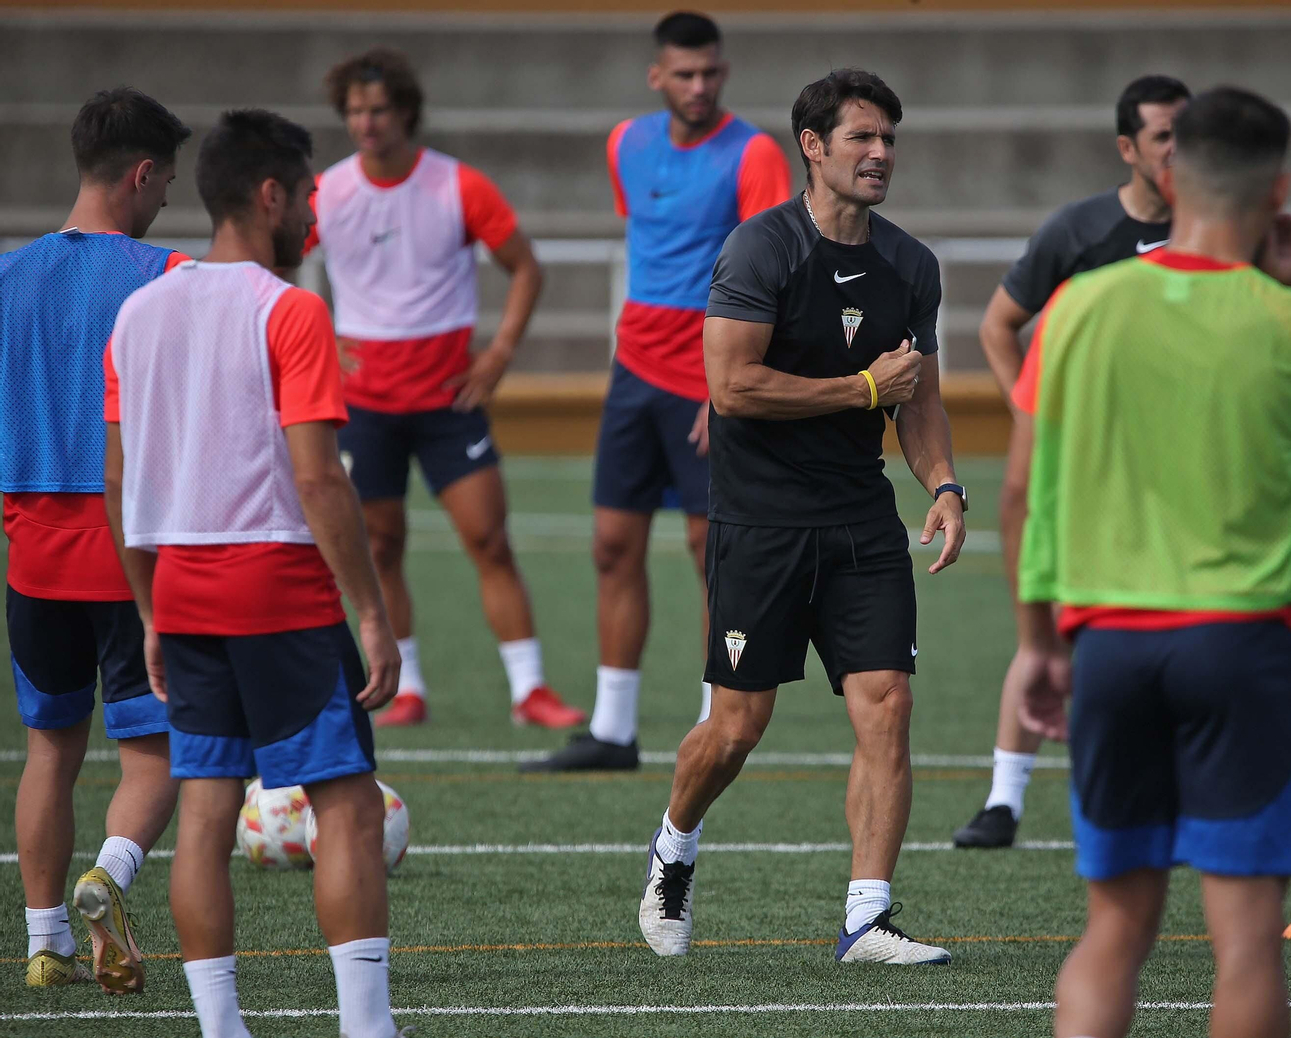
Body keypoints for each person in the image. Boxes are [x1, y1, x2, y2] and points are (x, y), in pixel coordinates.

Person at [1015, 87, 1291, 1038]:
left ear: (1170, 174)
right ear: (1281, 188)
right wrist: (1286, 291)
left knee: (1114, 927)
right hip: (1237, 642)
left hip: (1109, 645)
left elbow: (1021, 490)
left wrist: (1038, 642)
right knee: (1247, 942)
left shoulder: (1075, 308)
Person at [635, 68, 965, 965]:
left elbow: (919, 400)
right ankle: (674, 849)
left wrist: (942, 485)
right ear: (812, 146)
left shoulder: (911, 265)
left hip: (862, 522)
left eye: (889, 138)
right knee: (738, 728)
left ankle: (868, 917)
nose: (880, 153)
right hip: (761, 523)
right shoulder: (759, 249)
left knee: (886, 704)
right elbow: (731, 387)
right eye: (861, 137)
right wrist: (861, 387)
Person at [103, 108, 403, 1038]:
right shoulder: (291, 308)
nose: (314, 213)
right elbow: (316, 476)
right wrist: (372, 613)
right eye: (308, 194)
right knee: (347, 805)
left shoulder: (140, 307)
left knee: (203, 812)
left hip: (183, 589)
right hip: (279, 585)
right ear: (270, 195)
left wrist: (151, 610)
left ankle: (220, 1027)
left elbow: (118, 481)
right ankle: (365, 1027)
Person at [530, 11, 791, 773]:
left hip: (709, 375)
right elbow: (653, 245)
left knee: (713, 550)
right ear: (657, 77)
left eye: (710, 72)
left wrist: (729, 384)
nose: (699, 86)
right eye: (684, 74)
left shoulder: (754, 153)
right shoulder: (626, 143)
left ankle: (720, 720)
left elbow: (775, 270)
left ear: (724, 72)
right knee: (612, 546)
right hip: (634, 370)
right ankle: (613, 730)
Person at [307, 47, 582, 729]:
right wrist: (315, 340)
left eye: (379, 110)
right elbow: (275, 265)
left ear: (405, 112)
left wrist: (500, 354)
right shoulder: (327, 191)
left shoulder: (458, 185)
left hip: (449, 399)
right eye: (355, 112)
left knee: (489, 539)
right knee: (381, 545)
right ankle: (406, 689)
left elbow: (525, 267)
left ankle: (529, 691)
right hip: (363, 401)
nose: (367, 124)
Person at [955, 74, 1190, 849]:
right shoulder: (1079, 229)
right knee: (1045, 625)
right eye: (1163, 135)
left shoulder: (1212, 231)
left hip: (1169, 469)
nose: (1177, 149)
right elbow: (998, 325)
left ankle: (1170, 789)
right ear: (1128, 148)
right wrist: (1030, 412)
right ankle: (1004, 800)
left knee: (1171, 624)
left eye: (1187, 133)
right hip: (1079, 468)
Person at [0, 88, 191, 993]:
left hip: (32, 549)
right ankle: (108, 873)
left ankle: (45, 945)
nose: (166, 203)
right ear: (142, 173)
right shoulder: (168, 276)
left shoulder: (9, 276)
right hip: (132, 545)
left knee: (49, 749)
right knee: (157, 750)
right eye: (166, 184)